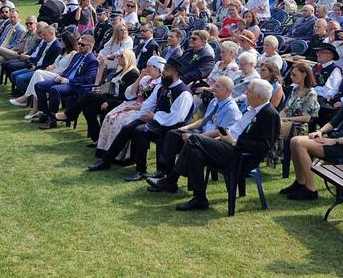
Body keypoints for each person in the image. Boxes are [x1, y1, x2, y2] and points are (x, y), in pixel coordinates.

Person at [154, 79, 279, 211]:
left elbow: (263, 147)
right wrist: (224, 137)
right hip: (229, 146)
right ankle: (199, 198)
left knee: (194, 139)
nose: (245, 93)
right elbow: (235, 130)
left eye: (249, 91)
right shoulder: (252, 110)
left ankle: (171, 180)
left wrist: (234, 141)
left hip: (241, 155)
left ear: (259, 96)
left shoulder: (269, 114)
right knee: (196, 153)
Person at [88, 56, 194, 181]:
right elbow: (150, 103)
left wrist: (154, 116)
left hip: (172, 127)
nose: (163, 72)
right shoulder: (163, 85)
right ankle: (107, 160)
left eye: (166, 69)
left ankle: (142, 170)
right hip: (157, 121)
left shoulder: (184, 93)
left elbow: (177, 117)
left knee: (139, 131)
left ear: (175, 73)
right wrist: (141, 116)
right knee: (128, 127)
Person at [282, 73, 343, 200]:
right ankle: (300, 182)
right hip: (335, 140)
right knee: (294, 140)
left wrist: (335, 141)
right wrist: (320, 132)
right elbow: (333, 122)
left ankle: (310, 189)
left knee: (300, 143)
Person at [149, 76, 242, 187]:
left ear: (227, 90)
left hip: (213, 140)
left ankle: (171, 180)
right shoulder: (214, 101)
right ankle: (164, 172)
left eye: (217, 86)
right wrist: (187, 128)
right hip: (201, 134)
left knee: (190, 143)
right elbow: (203, 119)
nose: (213, 88)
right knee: (172, 134)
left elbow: (222, 132)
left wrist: (198, 137)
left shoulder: (231, 109)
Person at [56, 50, 140, 142]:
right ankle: (97, 139)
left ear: (128, 58)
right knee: (87, 108)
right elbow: (112, 87)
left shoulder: (133, 74)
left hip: (118, 102)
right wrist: (101, 90)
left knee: (88, 95)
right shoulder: (121, 71)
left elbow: (126, 95)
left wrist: (108, 102)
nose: (118, 58)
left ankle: (69, 115)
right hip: (109, 96)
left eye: (121, 56)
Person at [96, 56, 164, 160]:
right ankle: (104, 150)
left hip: (144, 109)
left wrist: (135, 108)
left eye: (149, 66)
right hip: (134, 103)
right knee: (110, 117)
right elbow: (130, 93)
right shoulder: (146, 79)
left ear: (157, 68)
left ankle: (121, 156)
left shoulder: (159, 84)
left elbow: (152, 103)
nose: (147, 68)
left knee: (121, 121)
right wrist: (140, 77)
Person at [35, 34, 99, 129]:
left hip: (75, 85)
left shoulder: (92, 61)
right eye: (79, 43)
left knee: (54, 89)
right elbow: (69, 69)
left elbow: (87, 79)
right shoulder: (77, 55)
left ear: (90, 46)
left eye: (82, 45)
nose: (79, 46)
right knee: (39, 86)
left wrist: (68, 81)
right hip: (64, 79)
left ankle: (52, 120)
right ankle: (46, 114)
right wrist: (61, 76)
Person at [10, 32, 79, 119]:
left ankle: (27, 99)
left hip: (60, 75)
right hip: (52, 72)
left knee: (38, 73)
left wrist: (54, 70)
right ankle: (35, 108)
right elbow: (55, 64)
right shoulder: (63, 51)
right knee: (38, 78)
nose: (61, 43)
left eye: (62, 41)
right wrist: (50, 68)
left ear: (67, 41)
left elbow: (70, 69)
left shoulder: (73, 53)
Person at [267, 62, 320, 167]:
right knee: (269, 123)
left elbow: (306, 118)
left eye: (294, 75)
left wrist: (287, 119)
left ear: (304, 75)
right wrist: (279, 116)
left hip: (299, 126)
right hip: (287, 121)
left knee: (273, 127)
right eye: (291, 74)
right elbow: (286, 108)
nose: (291, 77)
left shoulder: (311, 94)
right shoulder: (294, 90)